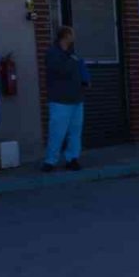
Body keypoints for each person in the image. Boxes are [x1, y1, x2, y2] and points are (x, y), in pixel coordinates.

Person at [43, 26, 90, 172]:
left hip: (76, 99)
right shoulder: (53, 53)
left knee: (75, 132)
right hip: (60, 100)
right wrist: (74, 63)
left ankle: (72, 158)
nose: (74, 37)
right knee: (57, 132)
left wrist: (85, 79)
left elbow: (80, 67)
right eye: (72, 34)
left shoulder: (72, 53)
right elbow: (60, 70)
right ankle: (50, 161)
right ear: (66, 35)